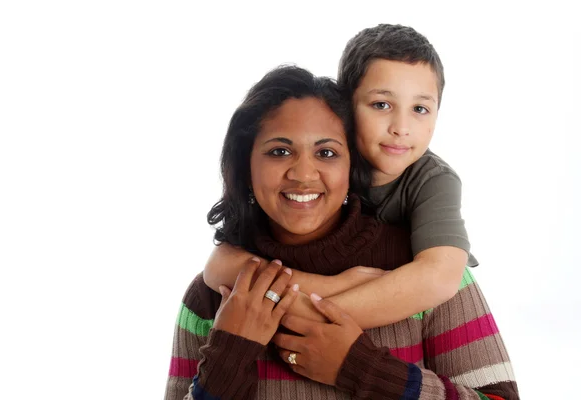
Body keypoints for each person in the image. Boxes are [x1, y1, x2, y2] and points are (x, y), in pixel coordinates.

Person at [164, 66, 519, 399]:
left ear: (354, 164)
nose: (304, 174)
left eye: (327, 152)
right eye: (280, 151)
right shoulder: (212, 296)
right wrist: (229, 353)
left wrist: (362, 369)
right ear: (245, 169)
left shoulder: (425, 273)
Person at [203, 23, 479, 329]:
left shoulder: (434, 180)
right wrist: (334, 284)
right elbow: (219, 268)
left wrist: (306, 313)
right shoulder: (323, 165)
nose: (401, 127)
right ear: (344, 107)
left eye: (420, 108)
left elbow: (438, 279)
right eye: (381, 105)